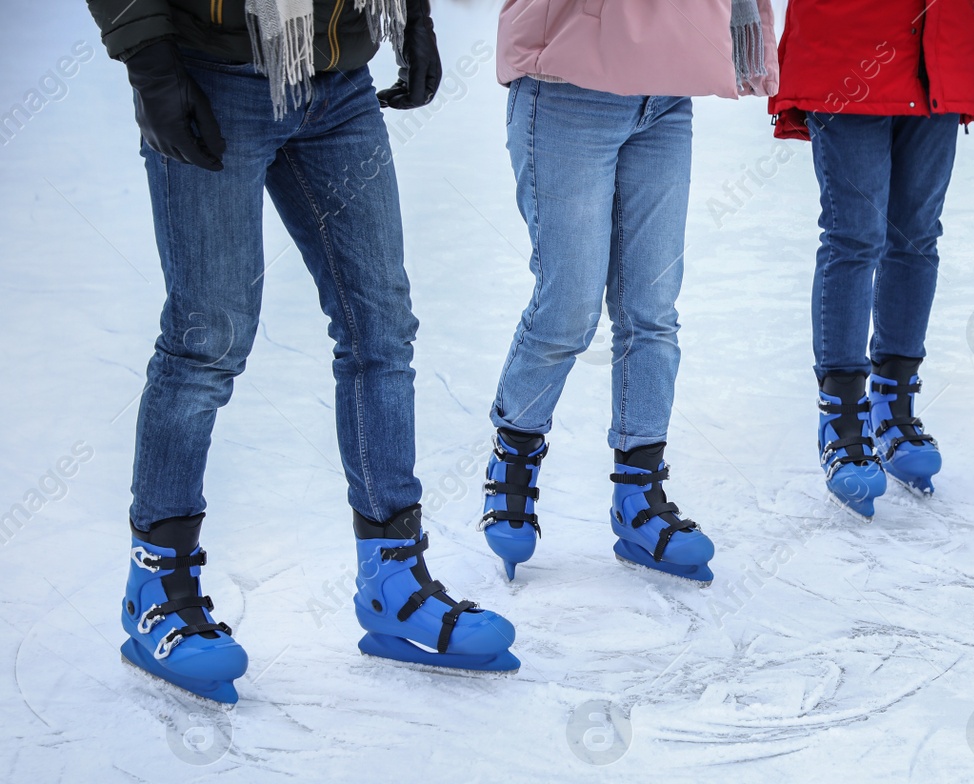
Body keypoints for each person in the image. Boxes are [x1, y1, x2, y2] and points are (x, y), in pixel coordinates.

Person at [87, 0, 519, 704]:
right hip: (215, 70)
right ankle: (155, 586)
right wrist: (149, 59)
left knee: (381, 329)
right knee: (207, 340)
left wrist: (413, 15)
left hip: (338, 75)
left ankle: (392, 579)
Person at [483, 0, 779, 584]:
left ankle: (639, 492)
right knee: (568, 308)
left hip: (666, 87)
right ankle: (514, 457)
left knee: (652, 310)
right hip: (567, 85)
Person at [769, 0, 974, 518]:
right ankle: (842, 414)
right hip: (847, 48)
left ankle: (894, 401)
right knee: (855, 236)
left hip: (940, 51)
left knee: (917, 237)